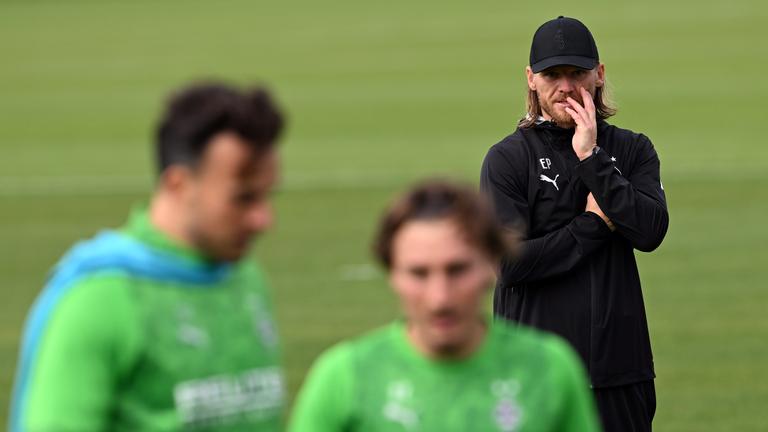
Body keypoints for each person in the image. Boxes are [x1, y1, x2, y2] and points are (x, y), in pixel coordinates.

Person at [9, 82, 286, 431]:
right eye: (243, 199)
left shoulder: (245, 280)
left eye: (268, 196)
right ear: (179, 185)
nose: (264, 219)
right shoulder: (100, 299)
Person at [289, 180, 601, 432]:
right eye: (418, 273)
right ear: (392, 274)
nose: (440, 299)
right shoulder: (344, 378)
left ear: (490, 265)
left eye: (457, 270)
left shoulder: (549, 370)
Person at [480, 16, 669, 432]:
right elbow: (508, 265)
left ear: (599, 75)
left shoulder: (632, 150)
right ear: (531, 79)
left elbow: (651, 231)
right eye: (552, 75)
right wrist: (594, 225)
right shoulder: (509, 159)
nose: (566, 86)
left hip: (620, 373)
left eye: (578, 73)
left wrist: (593, 160)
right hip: (532, 377)